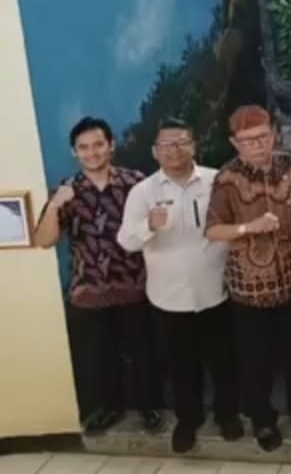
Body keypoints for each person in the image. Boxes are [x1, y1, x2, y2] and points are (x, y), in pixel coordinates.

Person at [116, 118, 241, 453]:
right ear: (155, 152)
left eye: (181, 142)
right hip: (168, 298)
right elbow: (126, 241)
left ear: (194, 146)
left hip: (216, 290)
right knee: (182, 366)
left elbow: (233, 225)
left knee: (223, 361)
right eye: (166, 145)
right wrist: (147, 225)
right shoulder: (143, 192)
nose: (174, 150)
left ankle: (227, 414)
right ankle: (188, 420)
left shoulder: (216, 181)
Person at [33, 117, 163, 436]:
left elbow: (156, 227)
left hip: (134, 285)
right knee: (99, 358)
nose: (92, 153)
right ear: (74, 152)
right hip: (89, 290)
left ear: (111, 145)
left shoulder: (135, 183)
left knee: (143, 353)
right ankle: (108, 410)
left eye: (98, 145)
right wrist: (54, 206)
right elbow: (44, 240)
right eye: (84, 147)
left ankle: (150, 408)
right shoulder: (67, 190)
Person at [205, 105, 291, 451]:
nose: (257, 145)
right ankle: (262, 420)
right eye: (248, 140)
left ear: (274, 134)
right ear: (234, 143)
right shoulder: (226, 179)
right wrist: (248, 228)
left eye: (262, 137)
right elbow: (212, 230)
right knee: (255, 361)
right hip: (249, 289)